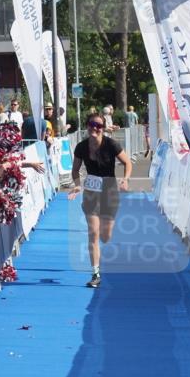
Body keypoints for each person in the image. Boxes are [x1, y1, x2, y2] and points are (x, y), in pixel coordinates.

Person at [68, 113, 133, 288]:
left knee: (105, 236)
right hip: (90, 192)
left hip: (109, 191)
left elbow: (128, 163)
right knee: (93, 233)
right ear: (87, 126)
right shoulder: (81, 147)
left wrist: (125, 179)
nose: (95, 128)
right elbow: (75, 171)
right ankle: (95, 273)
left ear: (103, 128)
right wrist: (77, 185)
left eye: (99, 126)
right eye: (92, 124)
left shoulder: (111, 144)